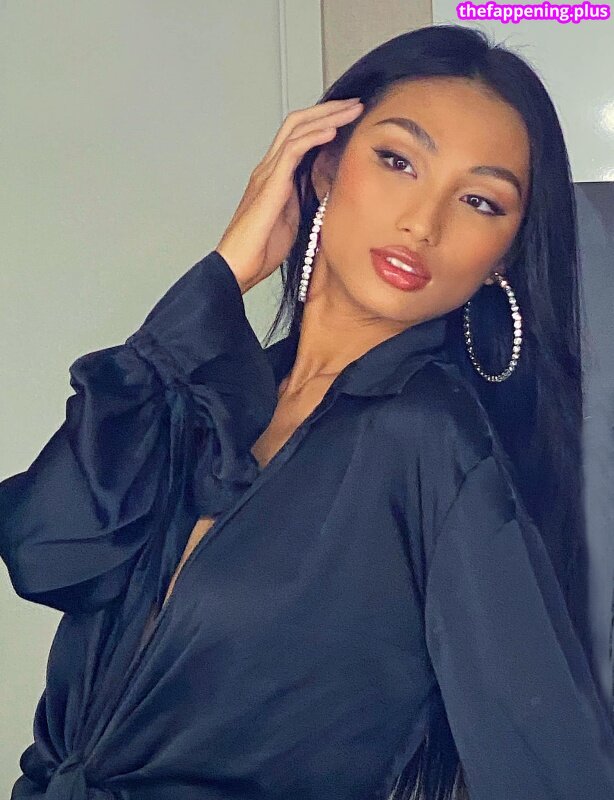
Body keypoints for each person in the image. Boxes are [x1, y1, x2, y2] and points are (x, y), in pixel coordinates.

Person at [1, 22, 613, 800]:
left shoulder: (431, 442)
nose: (423, 223)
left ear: (507, 254)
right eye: (398, 161)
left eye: (480, 201)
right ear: (323, 165)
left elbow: (551, 769)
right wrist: (223, 274)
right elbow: (48, 550)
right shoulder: (209, 394)